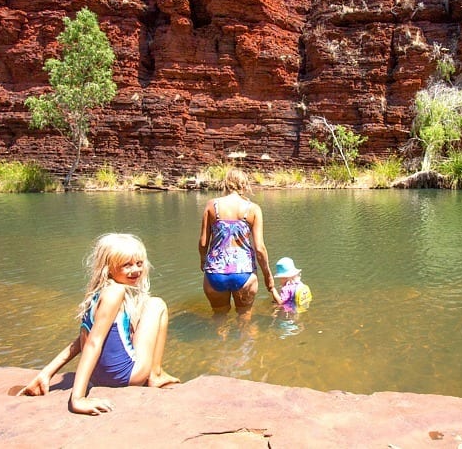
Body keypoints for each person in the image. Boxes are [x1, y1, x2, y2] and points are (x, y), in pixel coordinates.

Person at [17, 233, 179, 415]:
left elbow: (81, 340)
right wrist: (77, 399)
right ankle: (155, 375)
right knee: (156, 304)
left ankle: (153, 373)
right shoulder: (115, 293)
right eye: (127, 265)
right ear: (108, 268)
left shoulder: (99, 293)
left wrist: (46, 373)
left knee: (134, 321)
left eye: (139, 263)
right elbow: (93, 343)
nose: (135, 270)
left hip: (99, 378)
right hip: (125, 377)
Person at [199, 168, 282, 314]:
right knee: (245, 323)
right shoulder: (253, 209)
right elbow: (260, 249)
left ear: (226, 184)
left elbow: (203, 243)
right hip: (245, 273)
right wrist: (268, 278)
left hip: (215, 272)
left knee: (219, 320)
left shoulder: (212, 206)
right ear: (244, 186)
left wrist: (202, 260)